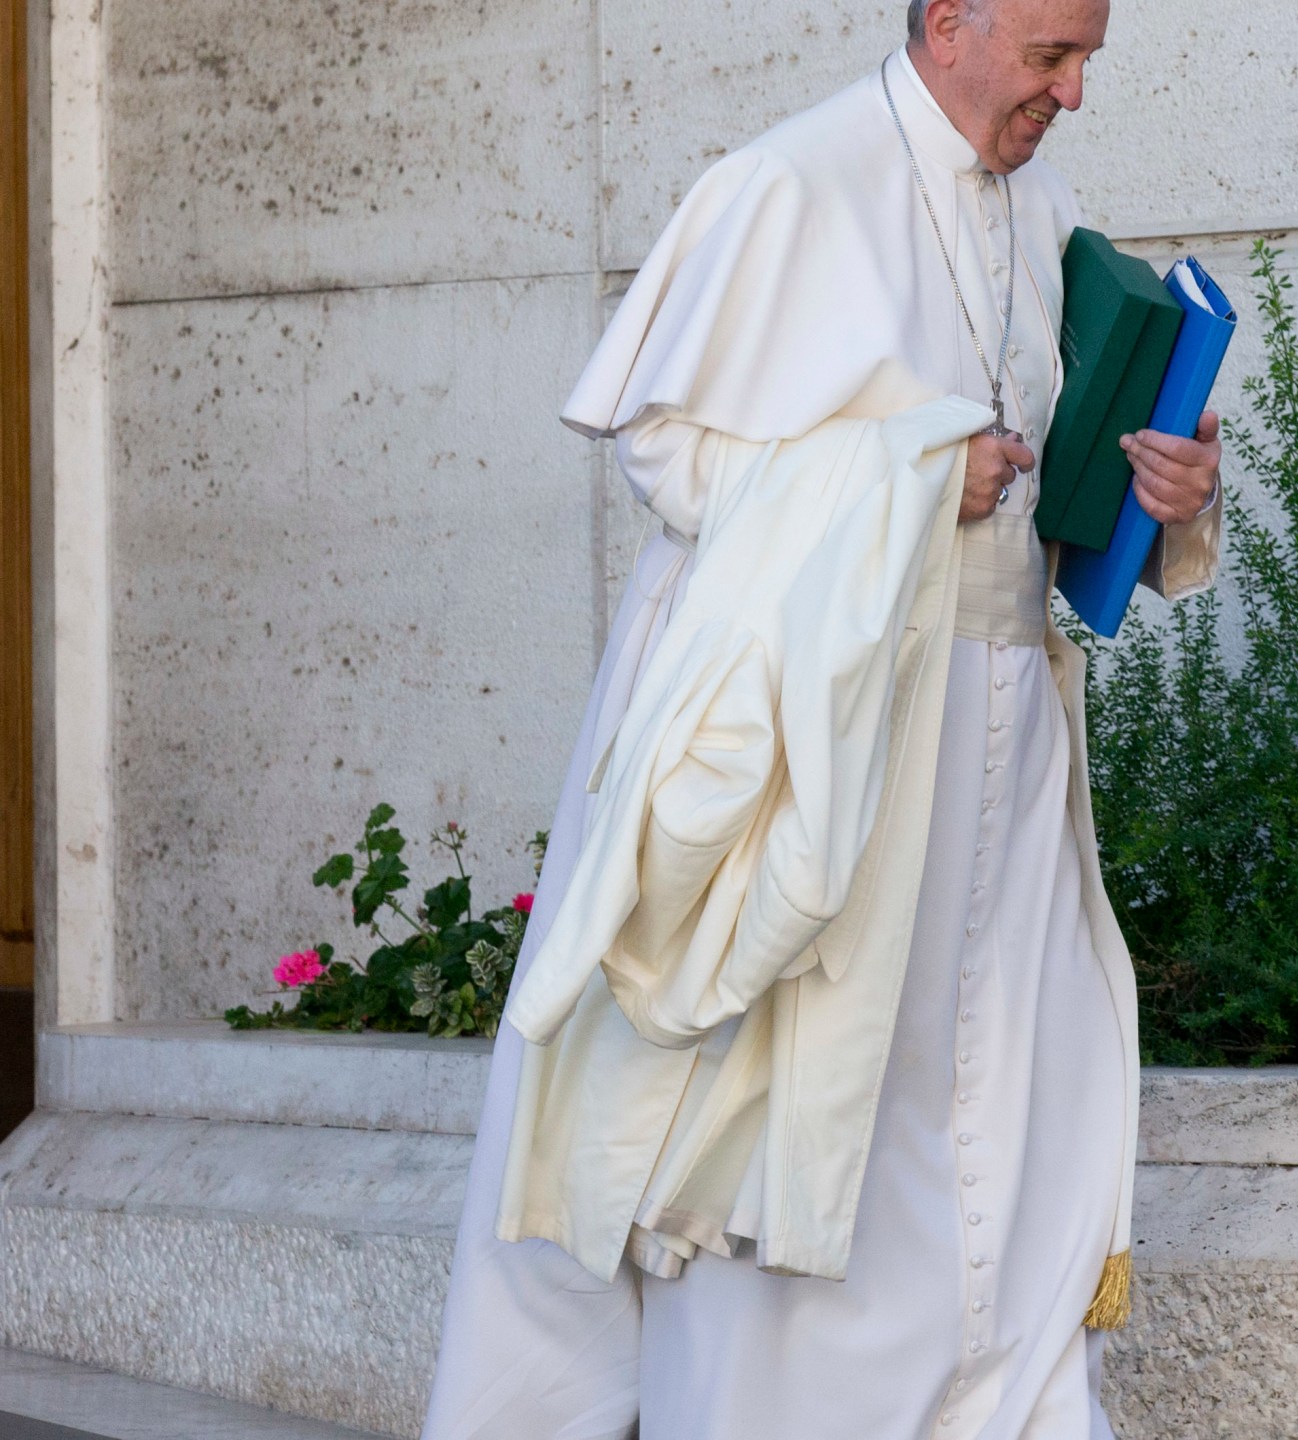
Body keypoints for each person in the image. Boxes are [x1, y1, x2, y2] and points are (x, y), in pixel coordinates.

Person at [418, 0, 1223, 1432]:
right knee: (803, 1121)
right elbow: (670, 462)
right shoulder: (787, 184)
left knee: (1004, 1117)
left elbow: (1055, 472)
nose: (1075, 93)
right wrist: (910, 477)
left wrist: (1168, 494)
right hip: (826, 748)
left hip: (1009, 746)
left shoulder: (1041, 202)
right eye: (1052, 56)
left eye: (1088, 55)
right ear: (949, 22)